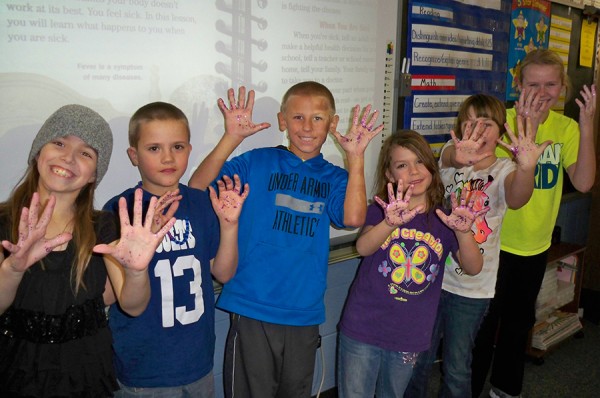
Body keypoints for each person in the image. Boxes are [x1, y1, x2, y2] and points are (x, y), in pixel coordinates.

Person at [188, 81, 383, 398]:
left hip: (303, 310)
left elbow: (353, 218)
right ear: (282, 121)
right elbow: (198, 187)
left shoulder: (336, 177)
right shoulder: (257, 162)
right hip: (252, 304)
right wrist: (232, 138)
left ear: (333, 124)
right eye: (297, 118)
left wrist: (357, 158)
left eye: (318, 118)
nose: (307, 127)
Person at [0, 104, 175, 397]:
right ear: (38, 153)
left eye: (86, 153)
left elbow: (133, 305)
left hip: (86, 373)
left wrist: (136, 271)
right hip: (16, 370)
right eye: (59, 142)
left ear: (95, 173)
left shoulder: (104, 226)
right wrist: (13, 269)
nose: (68, 158)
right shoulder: (4, 221)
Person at [471, 49, 596, 398]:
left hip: (534, 246)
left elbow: (584, 182)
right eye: (533, 84)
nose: (542, 92)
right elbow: (487, 182)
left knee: (517, 326)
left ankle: (505, 390)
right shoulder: (499, 123)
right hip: (491, 245)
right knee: (481, 329)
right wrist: (527, 127)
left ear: (564, 87)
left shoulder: (566, 128)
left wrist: (587, 125)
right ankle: (464, 389)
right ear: (517, 84)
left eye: (551, 84)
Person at [405, 94, 548, 398]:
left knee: (457, 366)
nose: (477, 131)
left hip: (472, 288)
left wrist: (526, 168)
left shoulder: (504, 171)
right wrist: (460, 157)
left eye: (486, 124)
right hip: (429, 279)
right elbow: (447, 158)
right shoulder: (449, 155)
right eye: (469, 123)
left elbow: (518, 197)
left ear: (501, 132)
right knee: (417, 359)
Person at [103, 102, 248, 397]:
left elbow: (223, 273)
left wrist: (230, 226)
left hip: (197, 360)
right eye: (154, 148)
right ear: (134, 156)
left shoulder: (202, 204)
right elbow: (111, 294)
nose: (168, 157)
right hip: (143, 367)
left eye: (178, 147)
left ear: (190, 150)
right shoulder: (120, 210)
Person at [337, 130, 487, 398]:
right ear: (390, 175)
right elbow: (363, 247)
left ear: (431, 166)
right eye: (402, 165)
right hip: (362, 327)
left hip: (409, 335)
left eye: (420, 161)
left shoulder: (446, 218)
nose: (414, 171)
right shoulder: (381, 209)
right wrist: (389, 223)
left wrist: (464, 233)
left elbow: (474, 267)